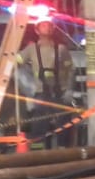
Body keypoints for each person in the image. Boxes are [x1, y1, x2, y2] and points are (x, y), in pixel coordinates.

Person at [20, 17, 75, 147]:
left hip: (59, 93)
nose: (47, 28)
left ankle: (63, 152)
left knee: (64, 124)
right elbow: (15, 63)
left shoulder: (61, 49)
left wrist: (69, 89)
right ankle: (38, 155)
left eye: (49, 25)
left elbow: (71, 70)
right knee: (39, 125)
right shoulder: (31, 49)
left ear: (53, 29)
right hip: (40, 93)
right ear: (37, 30)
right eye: (43, 25)